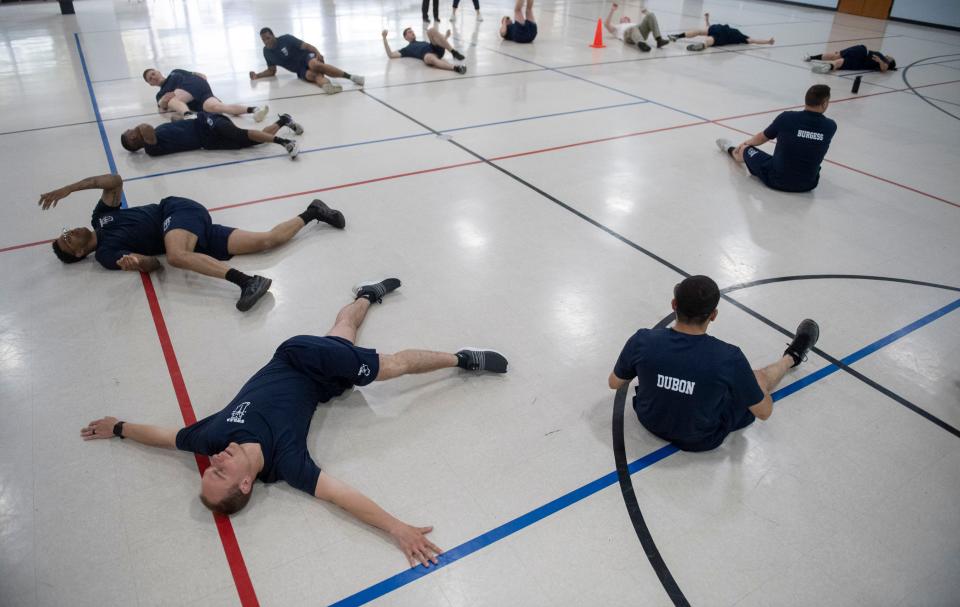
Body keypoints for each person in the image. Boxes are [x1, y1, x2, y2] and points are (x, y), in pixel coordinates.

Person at [79, 278, 509, 568]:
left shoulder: (211, 437)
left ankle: (462, 357)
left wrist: (119, 427)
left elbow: (164, 436)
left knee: (391, 368)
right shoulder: (286, 462)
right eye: (219, 472)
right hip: (320, 381)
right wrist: (397, 528)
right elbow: (342, 496)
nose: (213, 460)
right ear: (245, 484)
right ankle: (367, 294)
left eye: (210, 467)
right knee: (343, 328)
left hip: (294, 356)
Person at [40, 174, 346, 311]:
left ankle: (247, 282)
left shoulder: (100, 215)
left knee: (177, 255)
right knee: (267, 240)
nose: (69, 234)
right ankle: (314, 211)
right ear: (80, 253)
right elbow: (152, 263)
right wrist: (137, 264)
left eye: (65, 232)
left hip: (176, 211)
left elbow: (113, 180)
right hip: (190, 238)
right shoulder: (107, 255)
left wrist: (69, 188)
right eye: (67, 242)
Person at [609, 275, 819, 452]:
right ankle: (792, 356)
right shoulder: (728, 357)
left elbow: (614, 383)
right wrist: (755, 386)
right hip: (700, 437)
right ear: (714, 315)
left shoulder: (643, 340)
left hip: (649, 420)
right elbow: (764, 412)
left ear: (674, 305)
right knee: (758, 377)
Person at [715, 84, 837, 193]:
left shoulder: (786, 118)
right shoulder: (831, 126)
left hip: (776, 180)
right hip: (809, 184)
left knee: (746, 149)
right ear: (825, 103)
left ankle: (730, 149)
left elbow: (762, 138)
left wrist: (744, 144)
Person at [119, 112, 303, 159]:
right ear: (134, 140)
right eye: (130, 133)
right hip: (207, 140)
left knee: (237, 133)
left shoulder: (153, 138)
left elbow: (173, 127)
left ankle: (285, 142)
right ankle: (283, 121)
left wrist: (178, 118)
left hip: (204, 122)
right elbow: (146, 128)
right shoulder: (151, 146)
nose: (132, 130)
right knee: (251, 141)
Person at [250, 28, 366, 94]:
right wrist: (257, 75)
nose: (266, 41)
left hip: (306, 57)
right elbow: (271, 70)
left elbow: (306, 46)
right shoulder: (266, 52)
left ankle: (352, 77)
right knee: (313, 75)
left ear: (273, 35)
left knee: (315, 65)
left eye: (267, 38)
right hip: (299, 69)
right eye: (263, 40)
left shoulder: (286, 39)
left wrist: (318, 53)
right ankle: (327, 86)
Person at [143, 68, 268, 121]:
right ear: (150, 84)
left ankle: (188, 115)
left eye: (153, 73)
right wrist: (163, 101)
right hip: (199, 98)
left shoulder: (174, 72)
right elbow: (162, 105)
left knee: (171, 99)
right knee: (218, 108)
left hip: (193, 84)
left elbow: (196, 74)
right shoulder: (160, 94)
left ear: (158, 71)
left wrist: (200, 76)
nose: (153, 77)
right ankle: (254, 110)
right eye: (150, 78)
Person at [669, 12, 773, 51]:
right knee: (709, 40)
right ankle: (703, 45)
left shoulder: (742, 37)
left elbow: (708, 27)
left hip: (716, 28)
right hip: (721, 35)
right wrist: (768, 41)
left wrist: (707, 19)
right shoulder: (743, 37)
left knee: (699, 31)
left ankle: (677, 36)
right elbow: (755, 41)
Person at [382, 27, 467, 74]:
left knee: (430, 30)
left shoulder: (421, 41)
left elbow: (439, 42)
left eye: (412, 31)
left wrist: (446, 36)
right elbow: (391, 55)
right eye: (409, 32)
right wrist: (384, 38)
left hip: (434, 47)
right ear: (405, 37)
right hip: (429, 55)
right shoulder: (406, 49)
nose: (412, 32)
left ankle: (454, 52)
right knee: (427, 58)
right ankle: (456, 68)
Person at [604, 3, 668, 52]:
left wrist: (646, 12)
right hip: (628, 36)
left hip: (639, 33)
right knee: (633, 28)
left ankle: (659, 40)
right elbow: (606, 24)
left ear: (629, 20)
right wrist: (612, 11)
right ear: (620, 21)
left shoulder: (634, 24)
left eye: (627, 17)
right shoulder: (618, 27)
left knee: (651, 15)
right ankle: (642, 44)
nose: (626, 17)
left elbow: (648, 22)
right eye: (623, 17)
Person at [804, 45, 896, 74]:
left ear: (890, 61)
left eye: (891, 58)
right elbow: (883, 68)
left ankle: (811, 57)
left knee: (836, 55)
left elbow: (884, 68)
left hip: (862, 52)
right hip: (860, 64)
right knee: (840, 62)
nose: (889, 56)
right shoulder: (881, 61)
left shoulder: (885, 60)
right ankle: (828, 66)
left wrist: (880, 60)